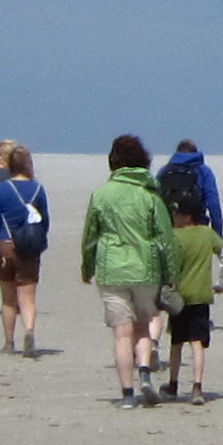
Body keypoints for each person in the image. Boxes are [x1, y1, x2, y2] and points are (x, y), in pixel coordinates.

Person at [83, 132, 178, 406]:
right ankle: (145, 373)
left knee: (121, 333)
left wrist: (87, 267)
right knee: (144, 326)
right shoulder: (150, 196)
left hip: (111, 269)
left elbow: (90, 237)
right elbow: (166, 239)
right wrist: (171, 274)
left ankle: (127, 394)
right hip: (145, 269)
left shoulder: (101, 195)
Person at [156, 144, 222, 403]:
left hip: (179, 292)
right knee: (198, 341)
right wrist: (216, 230)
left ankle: (173, 384)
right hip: (202, 294)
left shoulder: (165, 170)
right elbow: (213, 201)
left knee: (176, 340)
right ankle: (197, 387)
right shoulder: (203, 171)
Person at [0, 141, 52, 354]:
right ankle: (29, 331)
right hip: (28, 248)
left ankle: (9, 342)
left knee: (8, 300)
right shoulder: (38, 189)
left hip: (4, 246)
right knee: (27, 299)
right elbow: (45, 221)